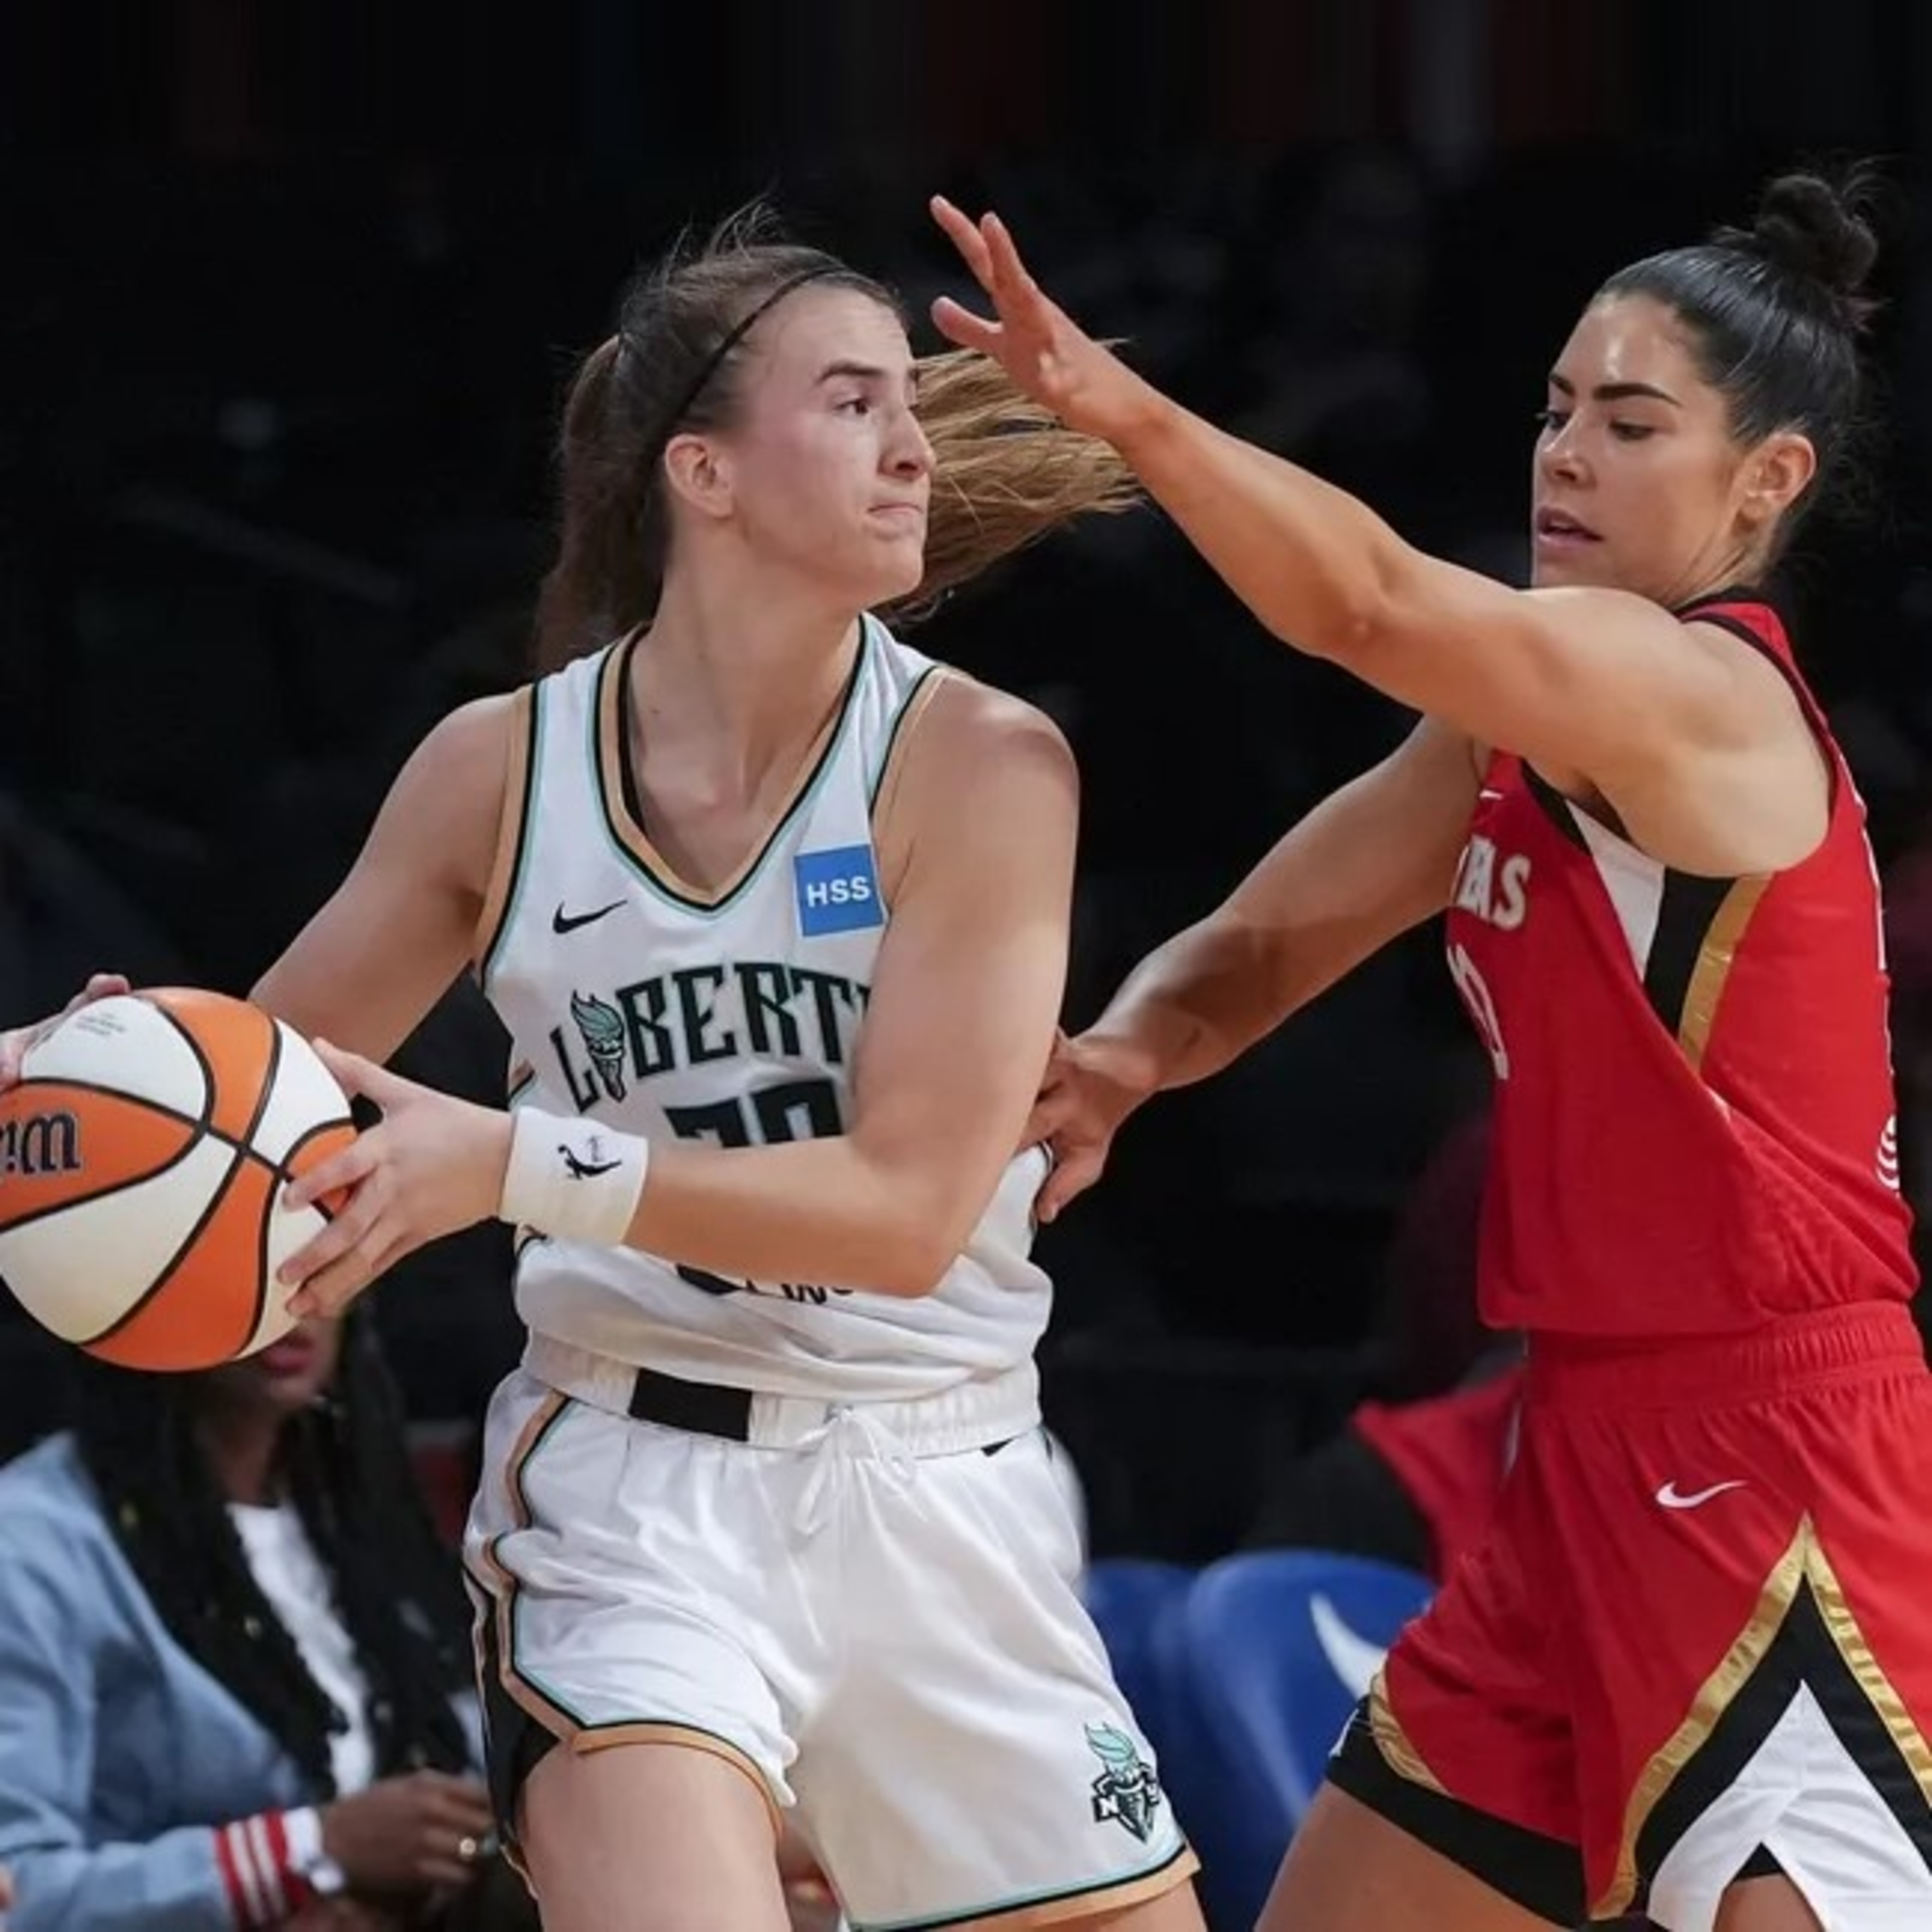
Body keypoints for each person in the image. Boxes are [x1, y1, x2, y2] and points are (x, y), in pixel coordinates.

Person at [2, 207, 1200, 1932]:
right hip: (635, 1491)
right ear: (700, 474)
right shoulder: (499, 771)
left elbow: (907, 1213)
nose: (914, 446)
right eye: (853, 401)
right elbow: (270, 1105)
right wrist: (113, 1074)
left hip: (940, 1480)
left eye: (908, 401)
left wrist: (512, 1163)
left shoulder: (982, 764)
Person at [924, 168, 1932, 1932]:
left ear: (1767, 481)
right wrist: (1127, 1052)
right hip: (1573, 1456)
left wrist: (1120, 406)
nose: (1566, 457)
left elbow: (1370, 604)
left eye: (1629, 424)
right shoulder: (1510, 730)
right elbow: (1265, 943)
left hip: (1770, 1468)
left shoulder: (1697, 691)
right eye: (1554, 411)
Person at [0, 1309, 527, 1932]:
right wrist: (307, 1851)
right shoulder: (32, 1540)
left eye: (316, 1266)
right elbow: (19, 1889)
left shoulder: (358, 1509)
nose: (287, 1303)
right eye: (234, 1268)